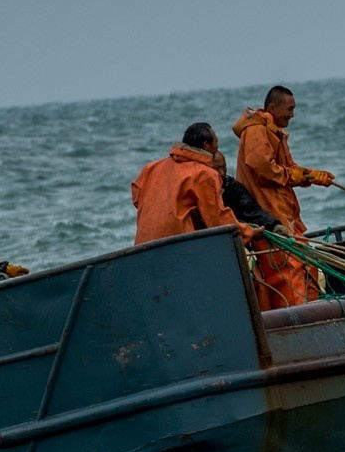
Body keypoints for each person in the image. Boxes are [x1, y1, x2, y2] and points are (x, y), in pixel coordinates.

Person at [233, 85, 333, 308]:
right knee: (289, 269)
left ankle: (312, 312)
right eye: (289, 109)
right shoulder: (256, 130)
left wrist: (311, 175)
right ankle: (298, 319)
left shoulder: (273, 131)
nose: (292, 114)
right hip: (270, 217)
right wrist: (294, 176)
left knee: (306, 263)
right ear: (272, 108)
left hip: (285, 214)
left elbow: (287, 168)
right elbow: (261, 166)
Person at [131, 123, 259, 245]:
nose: (217, 147)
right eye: (216, 143)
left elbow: (137, 199)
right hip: (179, 245)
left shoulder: (150, 168)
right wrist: (247, 232)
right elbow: (216, 218)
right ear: (206, 145)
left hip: (143, 245)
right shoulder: (204, 174)